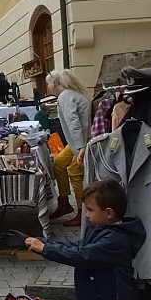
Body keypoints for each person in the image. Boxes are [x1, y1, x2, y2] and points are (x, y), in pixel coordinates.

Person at [47, 69, 92, 227]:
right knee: (58, 163)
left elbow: (74, 124)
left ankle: (83, 212)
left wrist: (80, 148)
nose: (47, 86)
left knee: (74, 171)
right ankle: (64, 203)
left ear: (55, 84)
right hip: (78, 141)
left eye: (48, 83)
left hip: (82, 142)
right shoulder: (73, 94)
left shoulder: (66, 97)